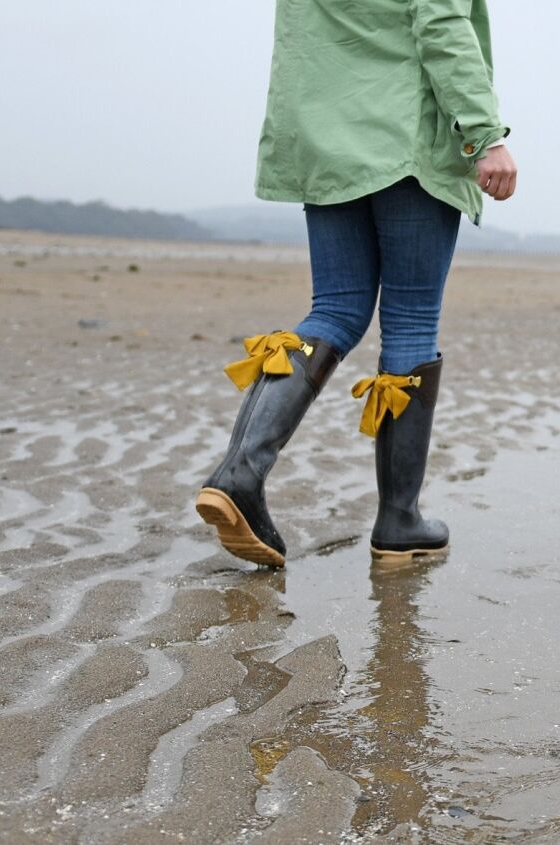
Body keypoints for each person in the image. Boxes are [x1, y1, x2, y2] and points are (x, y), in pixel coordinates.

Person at [196, 1, 517, 571]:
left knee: (335, 311)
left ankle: (238, 474)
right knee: (412, 321)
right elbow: (442, 25)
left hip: (326, 140)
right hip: (405, 143)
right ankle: (399, 520)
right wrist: (485, 136)